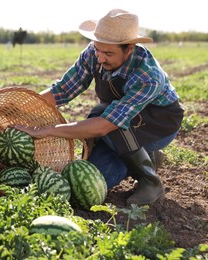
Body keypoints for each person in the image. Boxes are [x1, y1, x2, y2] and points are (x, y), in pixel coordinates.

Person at [12, 9, 184, 206]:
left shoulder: (148, 76)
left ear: (129, 49)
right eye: (97, 50)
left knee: (104, 118)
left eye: (108, 53)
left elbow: (105, 124)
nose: (100, 59)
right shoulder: (94, 53)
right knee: (96, 179)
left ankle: (150, 181)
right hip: (119, 124)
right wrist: (19, 109)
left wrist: (48, 131)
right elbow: (62, 90)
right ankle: (146, 157)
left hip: (158, 124)